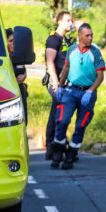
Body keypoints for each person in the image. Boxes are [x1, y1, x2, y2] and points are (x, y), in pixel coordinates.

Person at [50, 23, 105, 170]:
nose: (90, 38)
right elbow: (66, 68)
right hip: (71, 91)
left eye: (91, 35)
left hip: (87, 93)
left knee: (80, 125)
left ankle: (71, 155)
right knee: (62, 120)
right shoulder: (72, 50)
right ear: (80, 36)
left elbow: (101, 76)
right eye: (87, 35)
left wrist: (91, 91)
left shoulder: (95, 52)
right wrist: (60, 85)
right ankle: (58, 151)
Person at [44, 11, 74, 159]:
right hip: (56, 83)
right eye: (68, 20)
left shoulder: (66, 40)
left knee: (56, 113)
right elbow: (50, 62)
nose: (71, 23)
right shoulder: (53, 40)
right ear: (59, 22)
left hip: (65, 83)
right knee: (59, 113)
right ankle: (54, 145)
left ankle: (53, 145)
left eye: (71, 20)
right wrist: (56, 82)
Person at [6, 28, 28, 123]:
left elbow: (24, 70)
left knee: (24, 121)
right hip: (8, 95)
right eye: (11, 41)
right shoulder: (3, 58)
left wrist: (24, 77)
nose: (14, 44)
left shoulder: (18, 55)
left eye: (15, 41)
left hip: (20, 92)